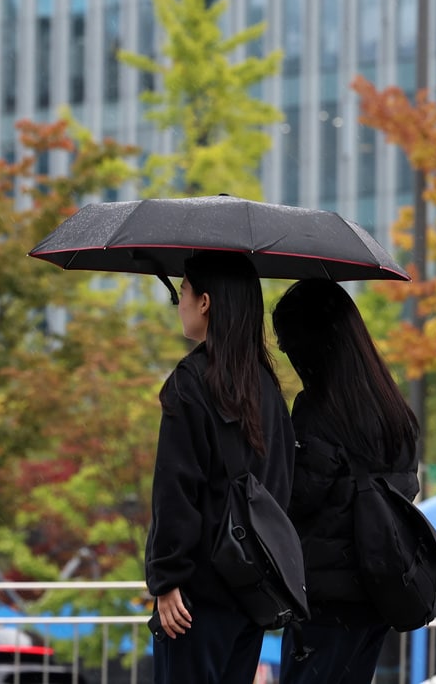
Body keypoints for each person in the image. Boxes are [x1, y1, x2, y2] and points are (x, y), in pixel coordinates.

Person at [145, 250, 297, 684]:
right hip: (250, 590)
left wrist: (167, 577)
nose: (181, 303)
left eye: (184, 292)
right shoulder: (267, 387)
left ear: (206, 302)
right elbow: (280, 484)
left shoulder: (191, 382)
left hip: (194, 598)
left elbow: (176, 488)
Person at [271, 278, 421, 684]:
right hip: (380, 590)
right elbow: (406, 492)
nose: (287, 354)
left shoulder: (317, 412)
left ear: (311, 342)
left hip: (326, 598)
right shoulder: (394, 410)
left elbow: (296, 497)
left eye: (286, 343)